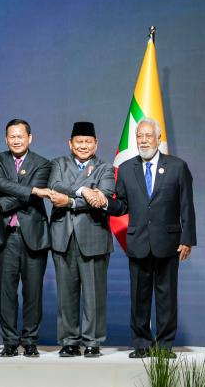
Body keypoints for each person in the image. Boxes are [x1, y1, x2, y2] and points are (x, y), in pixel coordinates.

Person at [107, 118, 196, 359]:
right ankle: (141, 344)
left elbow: (186, 206)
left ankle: (165, 346)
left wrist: (187, 239)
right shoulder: (126, 169)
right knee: (139, 296)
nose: (143, 140)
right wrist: (105, 202)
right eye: (139, 136)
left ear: (158, 139)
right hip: (138, 242)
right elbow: (121, 205)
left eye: (148, 136)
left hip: (168, 243)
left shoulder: (177, 167)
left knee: (167, 296)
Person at [43, 121, 115, 358]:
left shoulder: (105, 168)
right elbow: (54, 185)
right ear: (70, 143)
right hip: (63, 236)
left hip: (94, 236)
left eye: (88, 142)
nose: (83, 146)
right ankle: (70, 340)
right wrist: (84, 190)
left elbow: (103, 196)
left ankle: (93, 341)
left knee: (94, 294)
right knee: (66, 293)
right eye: (79, 141)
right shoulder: (58, 164)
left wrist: (70, 201)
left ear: (96, 144)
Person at [0, 119, 52, 357]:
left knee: (33, 291)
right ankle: (10, 341)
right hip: (5, 235)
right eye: (12, 136)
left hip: (33, 235)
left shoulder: (43, 163)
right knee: (7, 291)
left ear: (29, 138)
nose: (16, 140)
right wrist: (32, 190)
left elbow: (27, 196)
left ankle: (30, 340)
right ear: (6, 139)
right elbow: (0, 183)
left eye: (20, 136)